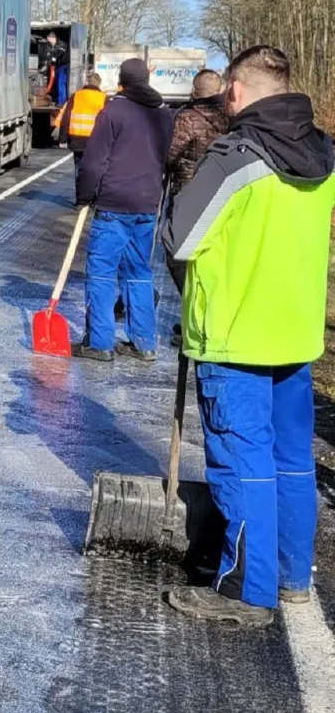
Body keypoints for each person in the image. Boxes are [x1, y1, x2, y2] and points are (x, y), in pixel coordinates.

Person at [161, 45, 335, 627]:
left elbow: (181, 238)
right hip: (296, 333)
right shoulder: (323, 153)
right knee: (292, 461)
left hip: (236, 334)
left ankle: (244, 590)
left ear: (235, 91)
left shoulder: (234, 157)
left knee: (243, 463)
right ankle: (292, 579)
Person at [73, 58, 173, 364]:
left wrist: (85, 195)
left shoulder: (114, 111)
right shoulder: (164, 115)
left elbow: (93, 160)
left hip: (115, 203)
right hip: (146, 204)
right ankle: (144, 343)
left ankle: (101, 343)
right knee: (139, 272)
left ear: (122, 81)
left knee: (102, 273)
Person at [161, 69, 230, 347]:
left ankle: (197, 319)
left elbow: (170, 156)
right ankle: (213, 318)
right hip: (226, 196)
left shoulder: (187, 118)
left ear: (194, 91)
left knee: (179, 257)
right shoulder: (232, 118)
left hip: (188, 195)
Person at [53, 72, 107, 178]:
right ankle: (91, 191)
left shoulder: (76, 96)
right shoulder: (103, 98)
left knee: (78, 166)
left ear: (87, 82)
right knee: (94, 168)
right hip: (96, 141)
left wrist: (63, 139)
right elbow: (108, 121)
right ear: (99, 84)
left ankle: (79, 192)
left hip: (77, 140)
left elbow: (66, 117)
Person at [41, 32, 70, 106]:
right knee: (54, 84)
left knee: (61, 83)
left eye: (49, 39)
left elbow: (60, 53)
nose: (48, 41)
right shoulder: (49, 45)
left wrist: (54, 58)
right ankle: (55, 99)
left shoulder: (61, 44)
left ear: (53, 38)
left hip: (62, 66)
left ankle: (62, 102)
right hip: (54, 67)